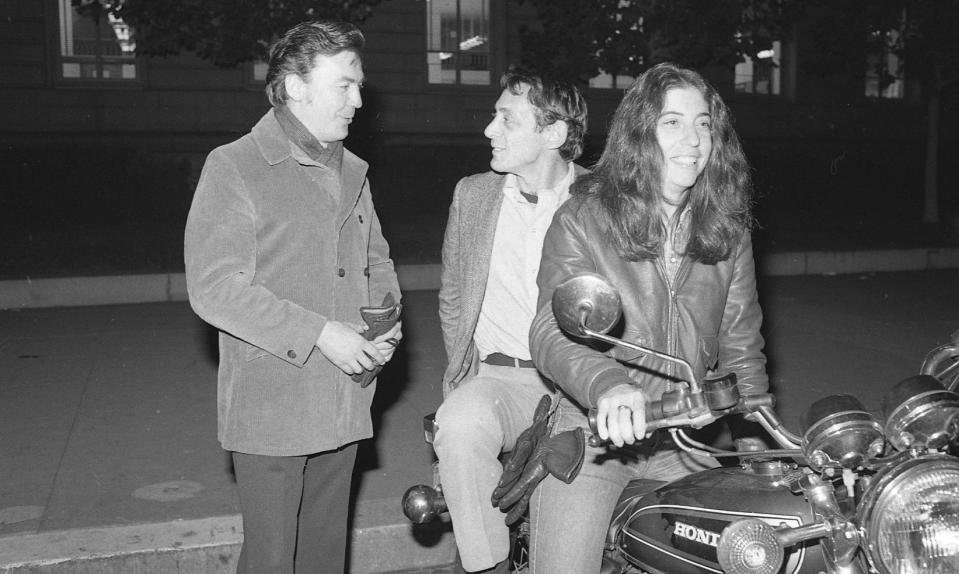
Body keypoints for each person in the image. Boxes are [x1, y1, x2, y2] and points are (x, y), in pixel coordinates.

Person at [528, 62, 769, 573]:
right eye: (673, 122)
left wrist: (759, 447)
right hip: (595, 437)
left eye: (704, 123)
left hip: (683, 439)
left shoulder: (725, 229)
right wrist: (609, 385)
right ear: (641, 133)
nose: (694, 139)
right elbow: (551, 327)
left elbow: (742, 344)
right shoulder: (583, 218)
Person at [183, 20, 402, 574]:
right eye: (343, 85)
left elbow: (377, 260)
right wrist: (322, 333)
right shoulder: (234, 166)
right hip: (271, 404)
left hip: (344, 396)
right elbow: (214, 288)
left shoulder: (353, 170)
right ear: (295, 86)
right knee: (273, 561)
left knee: (325, 559)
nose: (358, 99)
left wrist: (386, 321)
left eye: (359, 85)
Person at [432, 69, 588, 573]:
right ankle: (487, 566)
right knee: (458, 424)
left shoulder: (603, 200)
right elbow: (455, 298)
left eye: (507, 118)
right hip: (497, 376)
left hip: (576, 387)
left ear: (555, 134)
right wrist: (461, 378)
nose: (489, 130)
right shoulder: (473, 195)